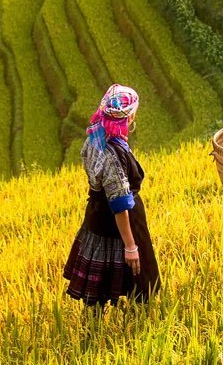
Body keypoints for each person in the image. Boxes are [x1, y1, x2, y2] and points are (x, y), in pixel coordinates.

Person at [64, 84, 159, 306]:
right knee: (142, 282)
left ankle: (96, 325)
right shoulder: (111, 153)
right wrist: (130, 245)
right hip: (117, 222)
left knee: (98, 286)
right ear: (130, 116)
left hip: (96, 217)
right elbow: (119, 203)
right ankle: (137, 325)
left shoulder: (94, 137)